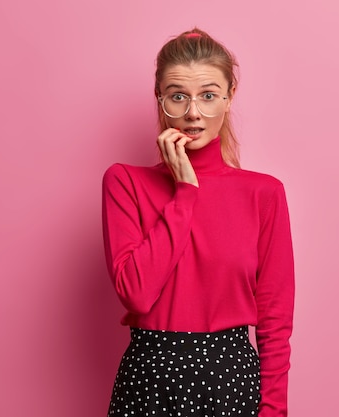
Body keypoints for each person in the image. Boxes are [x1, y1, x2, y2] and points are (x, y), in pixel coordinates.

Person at [102, 27, 295, 417]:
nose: (193, 113)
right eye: (178, 96)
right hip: (150, 379)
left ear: (229, 97)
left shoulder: (264, 194)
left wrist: (273, 411)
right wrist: (185, 190)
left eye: (208, 96)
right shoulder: (124, 182)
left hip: (230, 378)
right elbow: (136, 294)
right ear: (160, 99)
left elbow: (275, 319)